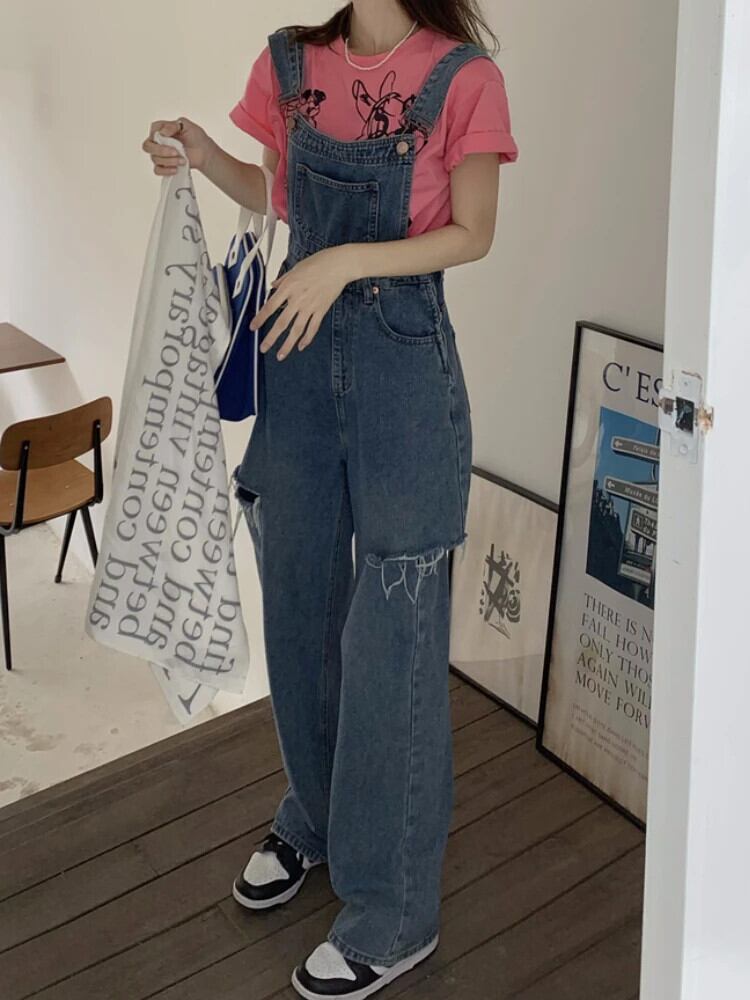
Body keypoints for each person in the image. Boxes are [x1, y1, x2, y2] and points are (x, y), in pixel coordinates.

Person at [142, 1, 517, 996]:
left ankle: (394, 909)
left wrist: (346, 261)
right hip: (296, 356)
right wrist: (201, 153)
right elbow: (276, 192)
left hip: (403, 366)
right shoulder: (290, 62)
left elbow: (474, 232)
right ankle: (315, 815)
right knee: (300, 601)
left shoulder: (464, 76)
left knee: (391, 634)